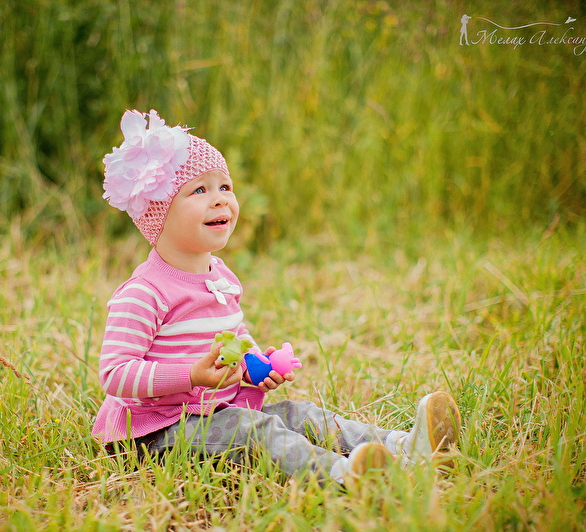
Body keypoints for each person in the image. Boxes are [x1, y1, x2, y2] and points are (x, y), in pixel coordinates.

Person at [92, 109, 461, 485]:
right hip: (157, 431)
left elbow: (234, 337)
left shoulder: (220, 275)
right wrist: (191, 375)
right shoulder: (144, 293)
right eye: (199, 190)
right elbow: (115, 374)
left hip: (213, 410)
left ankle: (405, 447)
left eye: (225, 187)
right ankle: (342, 476)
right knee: (253, 431)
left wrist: (255, 366)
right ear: (159, 211)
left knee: (302, 415)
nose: (220, 200)